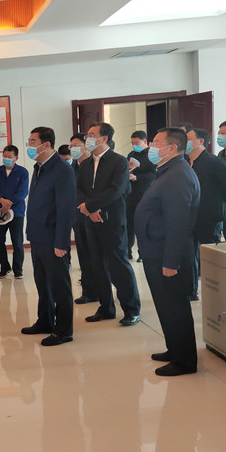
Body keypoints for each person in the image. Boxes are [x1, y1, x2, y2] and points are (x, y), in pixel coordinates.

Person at [135, 127, 200, 376]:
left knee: (175, 307)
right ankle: (174, 349)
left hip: (166, 253)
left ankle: (184, 361)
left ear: (172, 147)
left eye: (156, 142)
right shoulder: (167, 170)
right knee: (165, 305)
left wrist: (171, 261)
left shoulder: (177, 175)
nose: (151, 147)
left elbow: (178, 222)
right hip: (156, 249)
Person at [77, 122, 141, 326]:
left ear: (104, 138)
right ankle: (106, 308)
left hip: (112, 221)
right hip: (91, 221)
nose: (87, 138)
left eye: (92, 134)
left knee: (119, 266)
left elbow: (117, 189)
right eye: (87, 135)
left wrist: (91, 206)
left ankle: (131, 310)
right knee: (98, 266)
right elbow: (79, 189)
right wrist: (89, 209)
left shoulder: (118, 161)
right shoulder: (85, 163)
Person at [20, 127, 76, 346]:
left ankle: (64, 330)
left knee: (59, 286)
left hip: (53, 238)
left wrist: (62, 242)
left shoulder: (62, 170)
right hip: (38, 236)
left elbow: (65, 209)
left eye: (33, 142)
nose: (29, 146)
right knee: (43, 283)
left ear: (46, 144)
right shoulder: (39, 167)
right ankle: (45, 321)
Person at [186, 127, 226, 300]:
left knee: (211, 256)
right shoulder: (185, 161)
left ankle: (215, 292)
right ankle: (191, 291)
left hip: (209, 216)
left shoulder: (213, 162)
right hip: (190, 216)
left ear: (200, 141)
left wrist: (223, 208)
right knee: (189, 256)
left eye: (188, 138)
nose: (184, 142)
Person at [0, 145, 29, 279]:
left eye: (9, 157)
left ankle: (18, 269)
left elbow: (23, 192)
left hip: (16, 212)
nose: (6, 159)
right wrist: (2, 201)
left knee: (17, 242)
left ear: (16, 158)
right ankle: (4, 267)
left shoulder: (22, 172)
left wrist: (8, 203)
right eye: (4, 156)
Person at [69, 134, 98, 305]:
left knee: (97, 255)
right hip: (78, 218)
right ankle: (89, 291)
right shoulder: (71, 167)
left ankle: (103, 289)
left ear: (86, 146)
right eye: (71, 145)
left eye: (76, 145)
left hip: (94, 215)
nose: (73, 148)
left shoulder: (95, 165)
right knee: (84, 255)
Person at [126, 130, 156, 261]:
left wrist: (137, 178)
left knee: (143, 225)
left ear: (144, 141)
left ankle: (143, 253)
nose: (134, 145)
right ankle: (127, 251)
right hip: (130, 194)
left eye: (136, 143)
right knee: (128, 225)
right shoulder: (131, 154)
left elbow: (153, 174)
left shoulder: (151, 155)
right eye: (132, 143)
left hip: (144, 193)